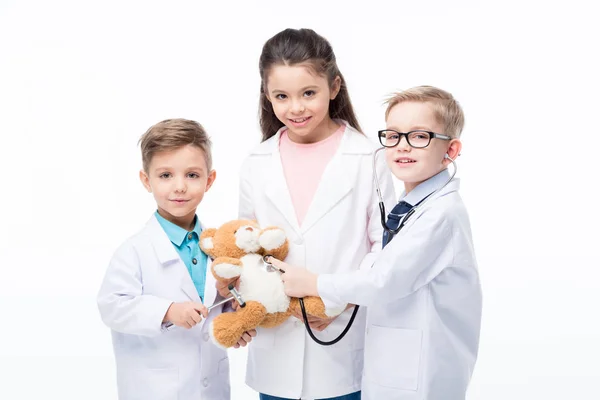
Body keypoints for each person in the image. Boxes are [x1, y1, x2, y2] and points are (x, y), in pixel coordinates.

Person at [272, 86, 483, 399]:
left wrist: (313, 284)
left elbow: (384, 281)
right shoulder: (411, 207)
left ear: (450, 151)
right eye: (394, 136)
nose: (403, 147)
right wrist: (336, 302)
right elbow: (379, 265)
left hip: (422, 378)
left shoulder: (442, 214)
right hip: (393, 370)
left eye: (420, 136)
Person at [235, 28, 396, 400]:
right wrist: (248, 305)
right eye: (282, 96)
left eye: (309, 93)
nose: (296, 108)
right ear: (267, 96)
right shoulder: (255, 163)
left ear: (334, 87)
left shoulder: (369, 158)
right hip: (277, 340)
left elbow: (383, 246)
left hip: (340, 339)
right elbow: (246, 249)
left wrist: (335, 299)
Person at [97, 118, 231, 400]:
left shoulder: (219, 246)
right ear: (147, 180)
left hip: (211, 387)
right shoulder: (134, 251)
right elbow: (112, 307)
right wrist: (168, 311)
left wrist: (235, 321)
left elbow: (220, 305)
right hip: (155, 389)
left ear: (210, 180)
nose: (179, 187)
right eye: (166, 175)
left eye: (192, 175)